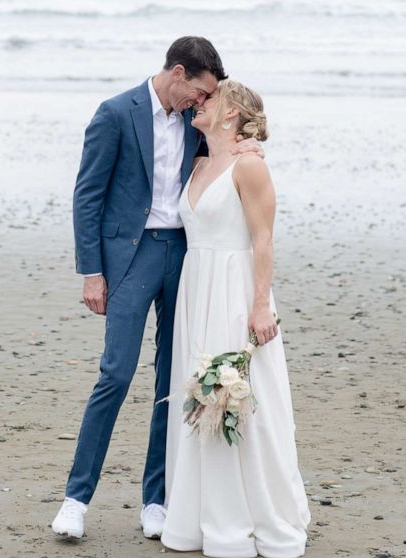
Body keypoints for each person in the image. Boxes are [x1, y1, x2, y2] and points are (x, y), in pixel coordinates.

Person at [54, 37, 261, 541]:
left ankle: (156, 499)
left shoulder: (196, 123)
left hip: (186, 256)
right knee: (116, 374)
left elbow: (229, 151)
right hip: (131, 257)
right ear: (177, 73)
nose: (202, 102)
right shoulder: (115, 113)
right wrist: (91, 272)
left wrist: (249, 143)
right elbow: (88, 194)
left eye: (209, 97)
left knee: (171, 382)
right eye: (200, 91)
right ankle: (76, 500)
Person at [161, 80, 311, 558]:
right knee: (198, 393)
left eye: (211, 98)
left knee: (243, 397)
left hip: (235, 287)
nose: (199, 102)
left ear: (230, 116)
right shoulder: (200, 162)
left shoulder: (250, 167)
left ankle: (250, 515)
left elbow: (263, 240)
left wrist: (262, 304)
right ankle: (198, 514)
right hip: (196, 287)